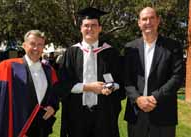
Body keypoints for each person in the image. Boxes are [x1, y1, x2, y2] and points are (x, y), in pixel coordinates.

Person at [58, 7, 125, 137]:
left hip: (104, 113)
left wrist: (110, 88)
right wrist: (89, 87)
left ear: (100, 28)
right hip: (77, 112)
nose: (90, 29)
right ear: (81, 28)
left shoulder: (111, 53)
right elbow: (63, 83)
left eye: (94, 25)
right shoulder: (71, 53)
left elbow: (119, 81)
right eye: (86, 25)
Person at [124, 7, 184, 137]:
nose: (148, 22)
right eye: (144, 19)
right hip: (136, 113)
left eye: (152, 18)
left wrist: (154, 98)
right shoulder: (130, 48)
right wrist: (138, 99)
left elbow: (177, 77)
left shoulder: (173, 46)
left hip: (163, 113)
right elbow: (126, 78)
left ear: (158, 21)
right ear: (139, 23)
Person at [0, 30, 59, 137]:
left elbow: (54, 96)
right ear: (24, 45)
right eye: (32, 44)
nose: (36, 48)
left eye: (40, 44)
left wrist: (52, 107)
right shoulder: (8, 67)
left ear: (43, 47)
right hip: (15, 128)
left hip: (40, 129)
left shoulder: (49, 71)